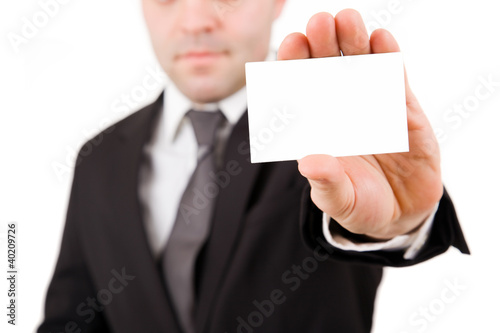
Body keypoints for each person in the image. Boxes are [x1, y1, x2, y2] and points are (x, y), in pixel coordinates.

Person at [37, 1, 469, 332]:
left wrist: (398, 226)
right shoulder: (100, 158)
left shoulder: (331, 126)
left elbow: (361, 220)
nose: (196, 21)